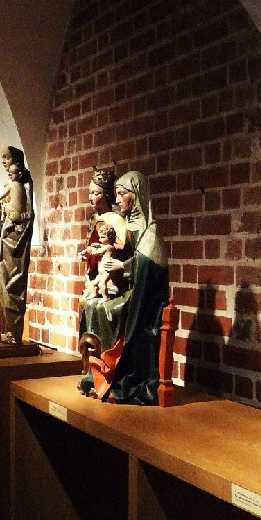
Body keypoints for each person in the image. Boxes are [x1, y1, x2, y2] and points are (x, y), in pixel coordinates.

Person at [78, 170, 169, 405]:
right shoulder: (129, 226)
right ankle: (97, 372)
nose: (118, 200)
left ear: (136, 196)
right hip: (130, 288)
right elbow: (121, 253)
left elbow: (145, 269)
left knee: (110, 311)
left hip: (145, 298)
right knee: (94, 306)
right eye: (116, 194)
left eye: (122, 194)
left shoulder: (150, 233)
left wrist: (122, 266)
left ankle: (120, 374)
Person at [0, 146, 34, 344]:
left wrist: (18, 217)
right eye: (2, 157)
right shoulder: (9, 184)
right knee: (1, 281)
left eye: (6, 157)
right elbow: (5, 213)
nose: (3, 161)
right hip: (6, 236)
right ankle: (3, 327)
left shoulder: (25, 185)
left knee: (13, 283)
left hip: (16, 241)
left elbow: (27, 214)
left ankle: (14, 332)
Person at [82, 223, 120, 301]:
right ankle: (94, 294)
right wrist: (97, 245)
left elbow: (97, 252)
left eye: (102, 237)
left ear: (110, 238)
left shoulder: (109, 247)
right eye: (99, 237)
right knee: (93, 283)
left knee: (101, 283)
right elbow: (101, 246)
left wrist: (92, 249)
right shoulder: (106, 246)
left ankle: (106, 297)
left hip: (107, 270)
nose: (100, 240)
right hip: (102, 272)